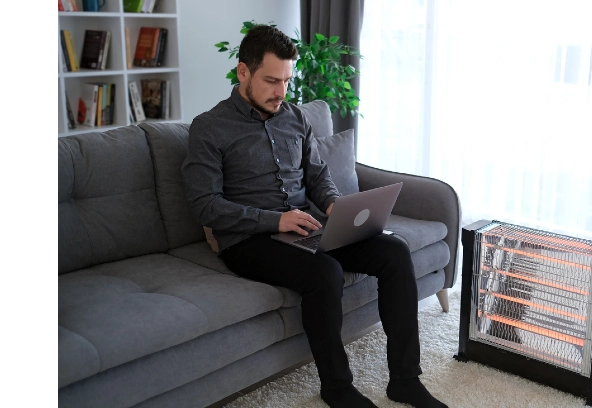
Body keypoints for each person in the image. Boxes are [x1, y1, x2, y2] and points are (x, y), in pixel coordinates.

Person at [181, 25, 447, 408]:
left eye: (287, 80)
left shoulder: (294, 117)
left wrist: (336, 206)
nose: (281, 92)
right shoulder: (209, 128)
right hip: (248, 241)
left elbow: (318, 176)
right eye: (272, 81)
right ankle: (336, 387)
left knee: (394, 251)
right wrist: (276, 221)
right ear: (243, 73)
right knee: (325, 273)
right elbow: (205, 205)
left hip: (306, 227)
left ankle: (405, 379)